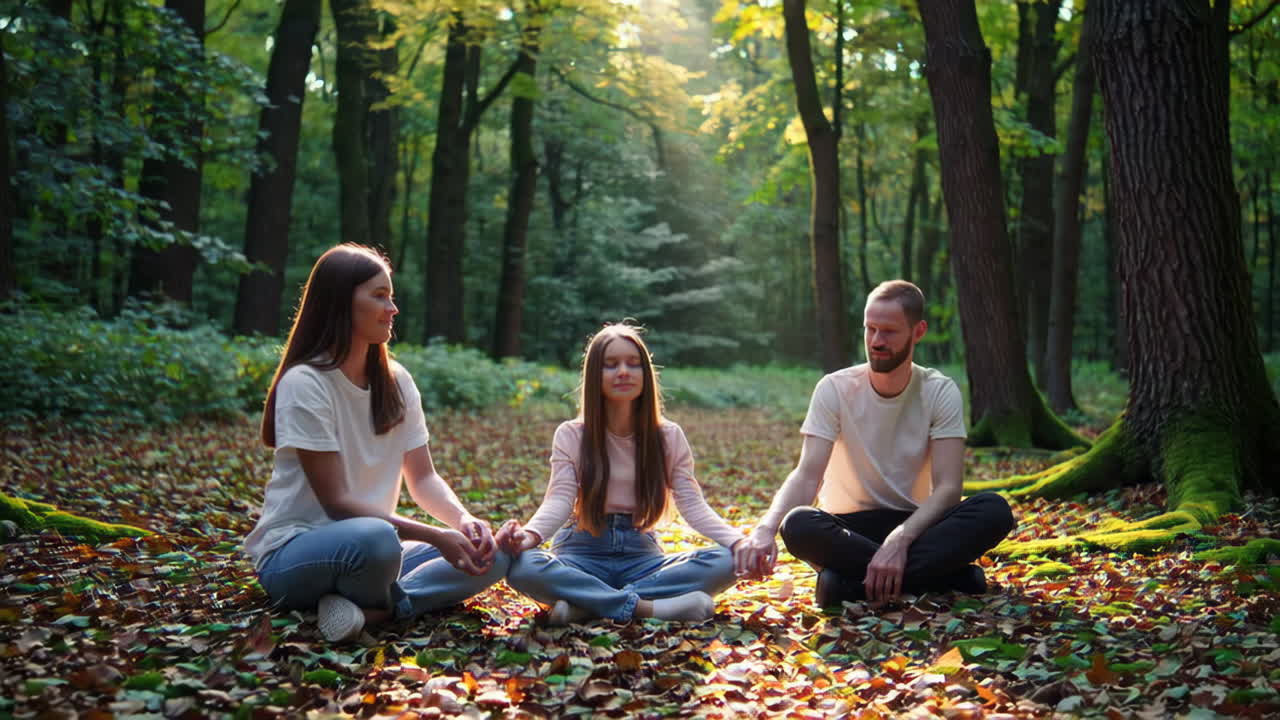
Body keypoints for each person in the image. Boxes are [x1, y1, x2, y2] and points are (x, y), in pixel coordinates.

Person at [243, 244, 507, 642]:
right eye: (379, 296)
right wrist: (434, 536)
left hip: (375, 556)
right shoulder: (305, 383)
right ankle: (392, 605)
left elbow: (423, 478)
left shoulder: (397, 381)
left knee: (495, 554)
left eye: (392, 296)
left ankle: (367, 613)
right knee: (377, 539)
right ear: (340, 301)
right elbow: (338, 504)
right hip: (295, 555)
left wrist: (463, 522)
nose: (392, 308)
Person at [736, 280, 1014, 607]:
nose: (876, 341)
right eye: (870, 329)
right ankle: (948, 579)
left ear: (918, 331)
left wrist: (900, 539)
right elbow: (807, 474)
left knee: (994, 510)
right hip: (847, 531)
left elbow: (949, 489)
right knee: (797, 524)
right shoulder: (834, 388)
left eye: (889, 332)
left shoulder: (940, 391)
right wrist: (765, 529)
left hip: (916, 525)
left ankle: (848, 585)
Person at [495, 323, 749, 624]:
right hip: (579, 553)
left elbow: (693, 506)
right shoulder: (571, 435)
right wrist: (529, 535)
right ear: (594, 377)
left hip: (643, 557)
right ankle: (645, 608)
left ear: (646, 374)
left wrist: (739, 542)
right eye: (611, 365)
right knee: (524, 566)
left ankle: (587, 605)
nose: (624, 372)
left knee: (730, 560)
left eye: (633, 363)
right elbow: (559, 499)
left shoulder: (668, 436)